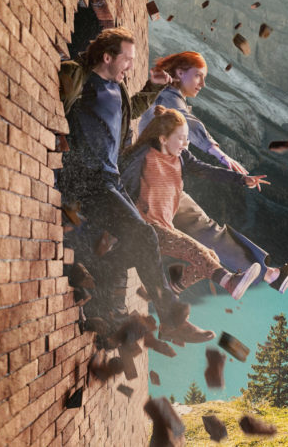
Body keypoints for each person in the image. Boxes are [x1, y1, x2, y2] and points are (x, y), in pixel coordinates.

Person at [57, 27, 213, 344]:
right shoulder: (83, 81)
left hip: (109, 178)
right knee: (143, 234)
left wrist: (151, 89)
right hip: (87, 178)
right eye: (127, 59)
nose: (130, 64)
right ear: (106, 57)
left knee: (131, 244)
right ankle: (170, 319)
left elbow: (128, 114)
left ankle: (109, 312)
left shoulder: (118, 91)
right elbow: (63, 87)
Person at [140, 51, 288, 293]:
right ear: (179, 73)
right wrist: (218, 152)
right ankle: (182, 284)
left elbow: (195, 164)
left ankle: (270, 274)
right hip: (150, 187)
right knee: (203, 234)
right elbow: (189, 123)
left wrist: (240, 179)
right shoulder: (167, 97)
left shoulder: (172, 100)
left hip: (165, 187)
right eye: (198, 76)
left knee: (207, 231)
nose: (203, 84)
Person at [121, 106, 264, 299]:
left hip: (165, 228)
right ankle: (229, 282)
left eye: (187, 138)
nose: (185, 143)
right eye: (181, 138)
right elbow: (121, 184)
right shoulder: (143, 156)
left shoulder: (181, 158)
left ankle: (171, 290)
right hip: (145, 228)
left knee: (210, 255)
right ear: (163, 138)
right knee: (197, 251)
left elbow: (207, 170)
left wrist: (241, 179)